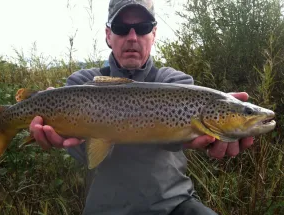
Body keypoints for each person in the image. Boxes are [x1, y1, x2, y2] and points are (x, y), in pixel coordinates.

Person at [29, 0, 254, 214]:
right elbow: (85, 155)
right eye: (121, 28)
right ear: (108, 35)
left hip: (174, 206)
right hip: (105, 209)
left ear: (153, 34)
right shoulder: (82, 84)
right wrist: (60, 134)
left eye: (143, 27)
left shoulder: (175, 83)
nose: (132, 37)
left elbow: (179, 138)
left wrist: (219, 129)